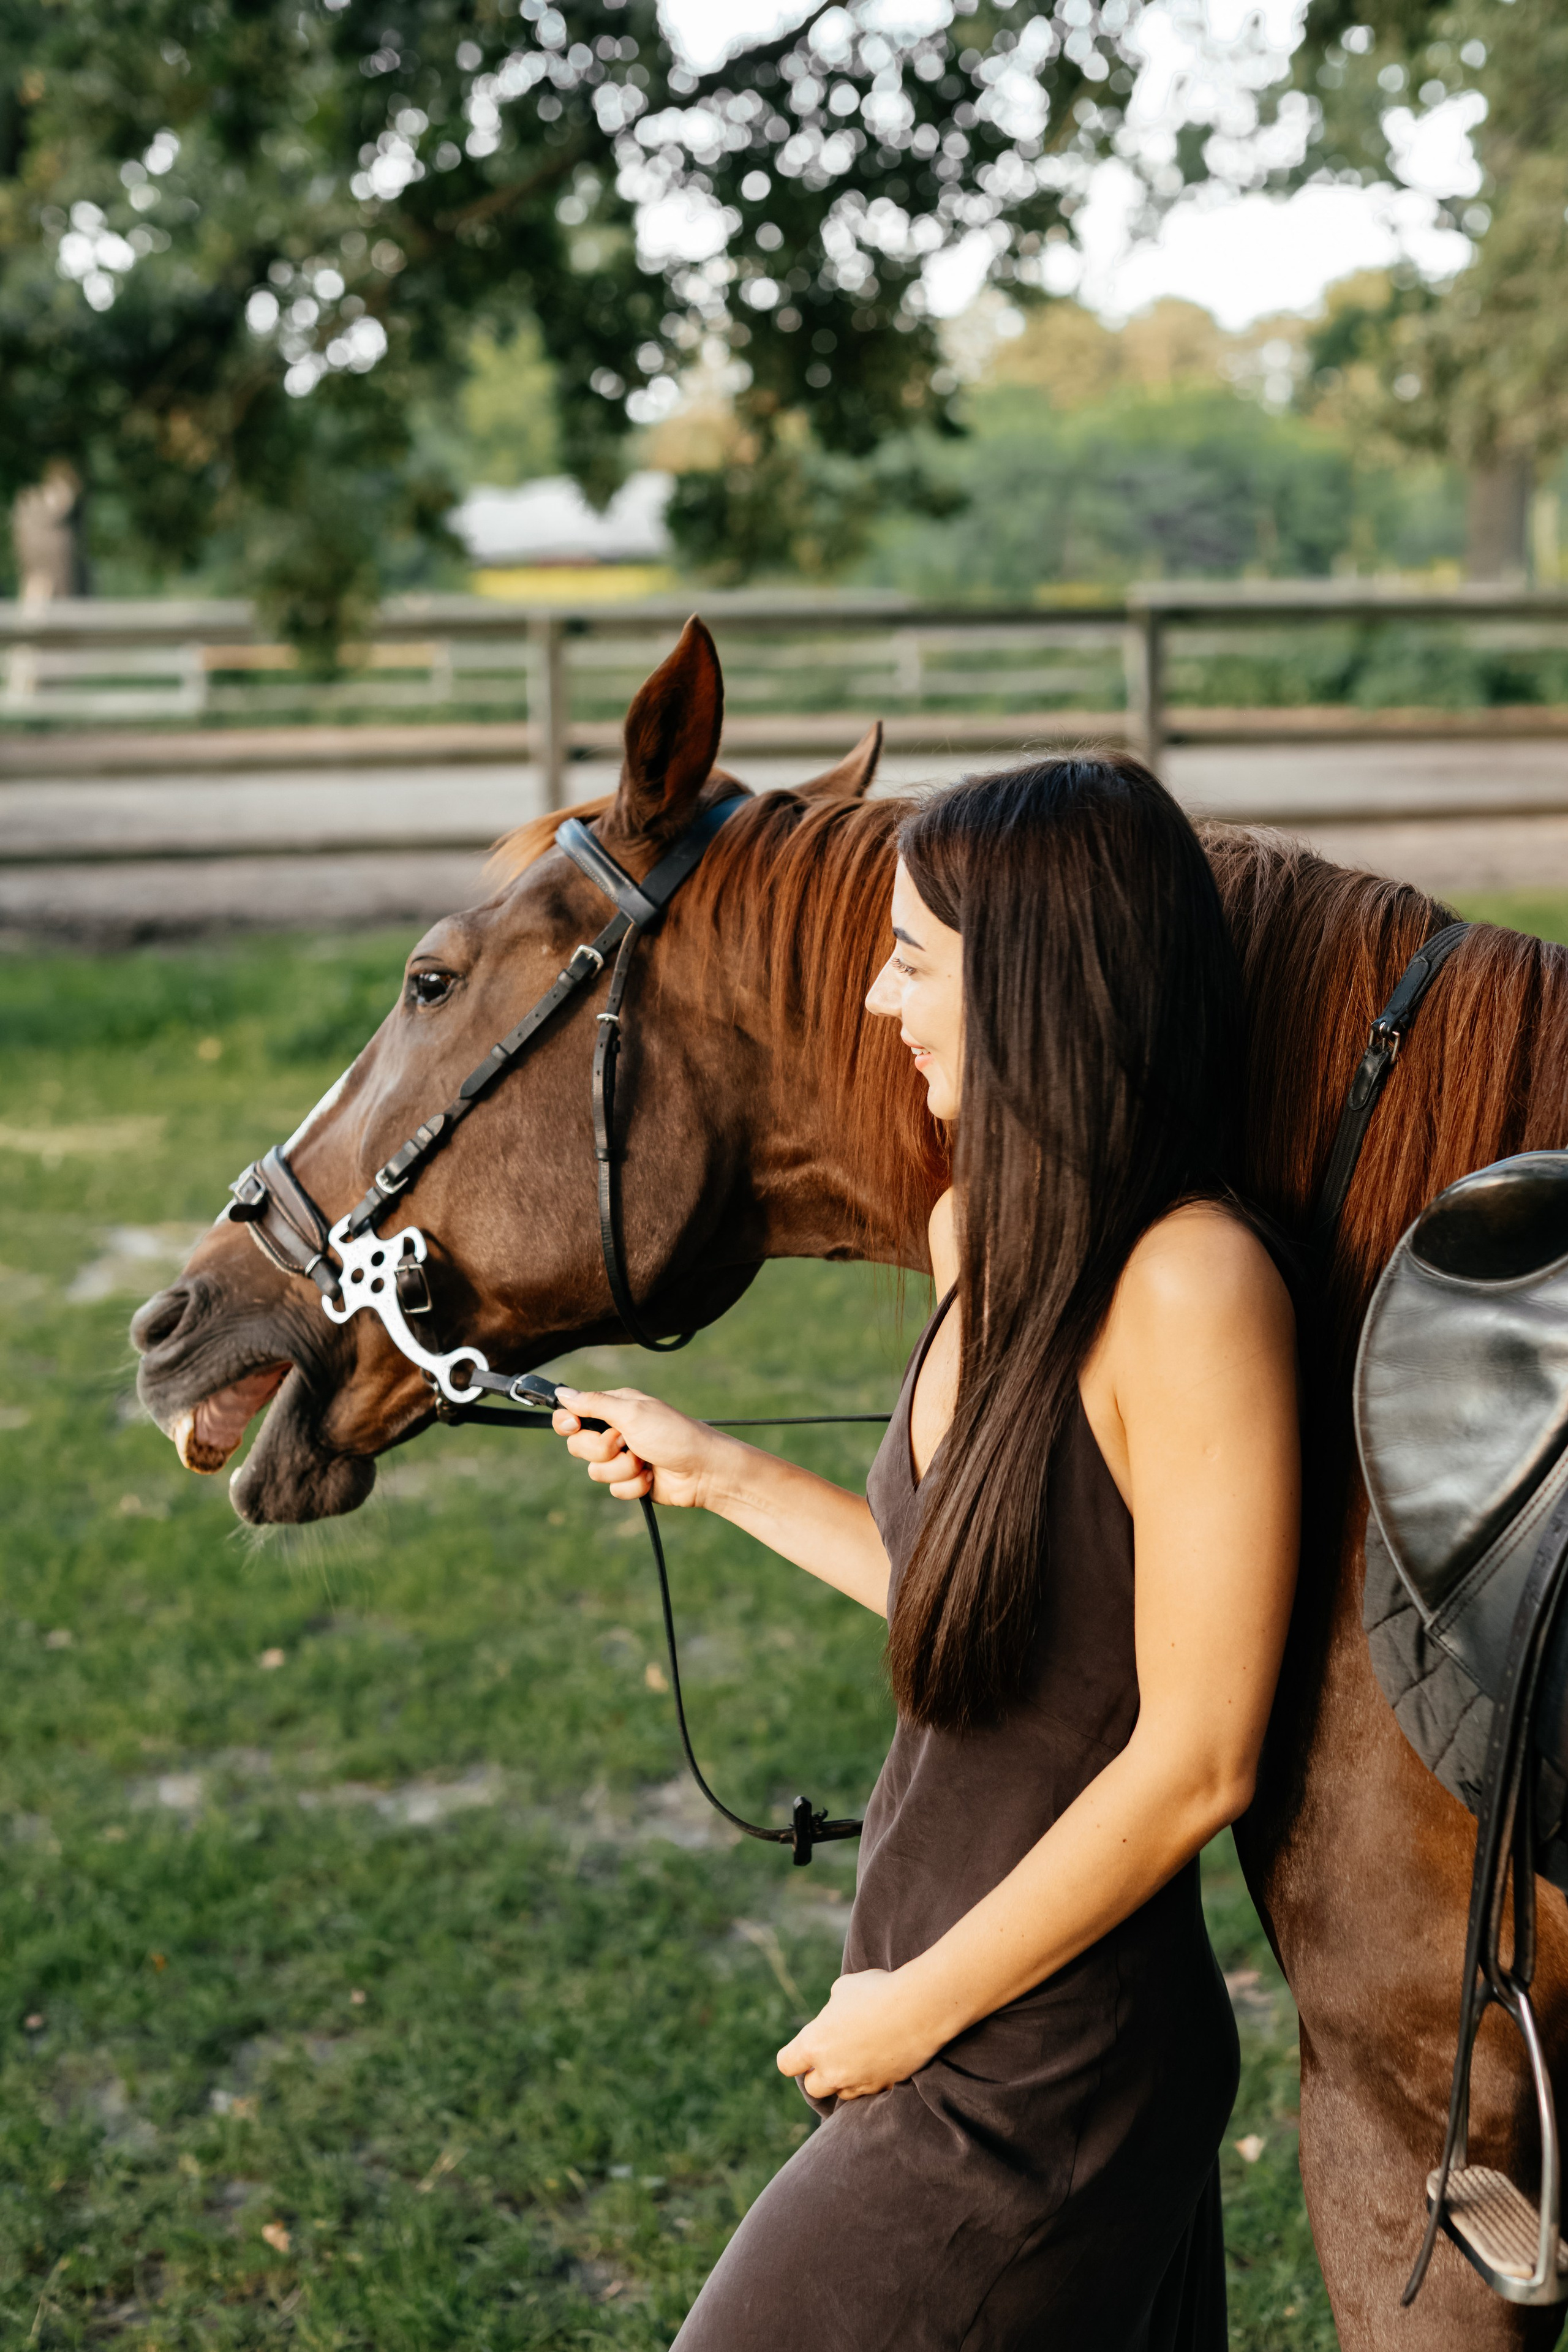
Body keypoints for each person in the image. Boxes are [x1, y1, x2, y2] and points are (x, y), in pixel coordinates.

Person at [548, 758, 1300, 2351]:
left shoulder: (1192, 1286)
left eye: (911, 958)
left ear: (1034, 986)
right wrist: (726, 1476)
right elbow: (1006, 1622)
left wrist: (921, 2008)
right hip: (946, 1978)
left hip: (1052, 2062)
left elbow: (1200, 1755)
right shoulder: (983, 1231)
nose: (882, 1002)